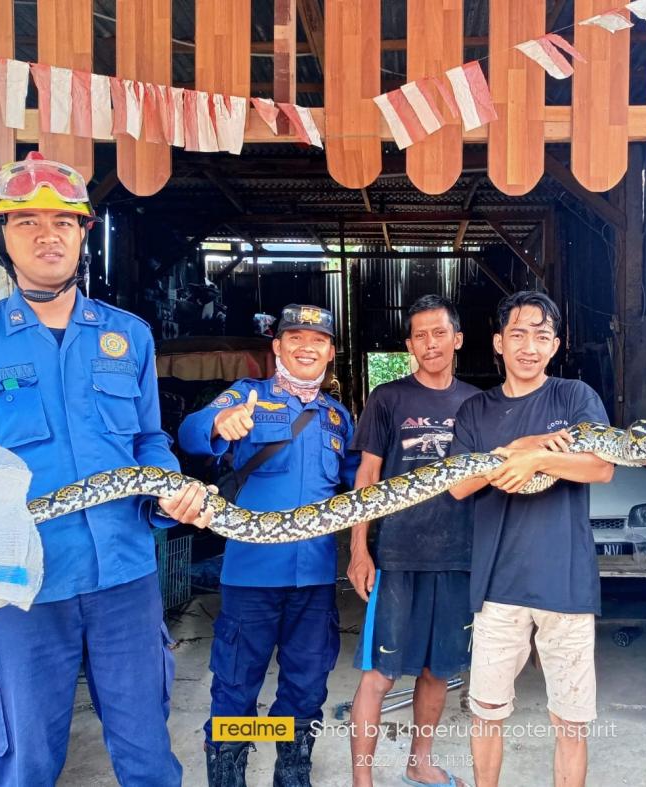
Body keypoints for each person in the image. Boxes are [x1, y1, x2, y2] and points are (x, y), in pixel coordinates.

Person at [0, 152, 211, 786]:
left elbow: (149, 439)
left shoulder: (130, 337)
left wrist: (168, 490)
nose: (47, 235)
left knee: (147, 750)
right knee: (27, 757)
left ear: (84, 233)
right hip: (19, 584)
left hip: (124, 574)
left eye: (64, 222)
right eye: (26, 221)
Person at [179, 304, 359, 787]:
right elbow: (191, 432)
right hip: (251, 578)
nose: (306, 347)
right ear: (276, 346)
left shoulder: (337, 418)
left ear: (330, 352)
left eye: (317, 340)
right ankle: (229, 773)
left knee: (305, 688)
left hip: (315, 581)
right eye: (294, 337)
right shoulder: (247, 396)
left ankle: (292, 771)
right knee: (236, 685)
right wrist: (221, 424)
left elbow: (359, 484)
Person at [447, 290, 614, 787]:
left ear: (556, 344)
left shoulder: (575, 398)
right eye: (518, 334)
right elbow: (459, 485)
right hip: (498, 585)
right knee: (487, 711)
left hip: (566, 582)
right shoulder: (476, 411)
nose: (529, 346)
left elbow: (601, 466)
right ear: (498, 342)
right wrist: (515, 450)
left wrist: (539, 460)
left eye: (541, 336)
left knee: (571, 719)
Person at [346, 294, 479, 787]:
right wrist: (360, 548)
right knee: (379, 675)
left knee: (438, 670)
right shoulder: (389, 399)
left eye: (439, 333)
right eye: (420, 335)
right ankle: (363, 781)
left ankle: (419, 761)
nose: (430, 344)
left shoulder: (476, 403)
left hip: (458, 554)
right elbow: (368, 474)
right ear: (409, 345)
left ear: (457, 339)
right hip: (398, 554)